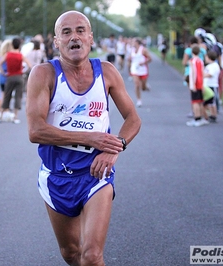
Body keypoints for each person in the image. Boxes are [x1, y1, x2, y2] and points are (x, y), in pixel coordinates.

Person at [26, 11, 141, 265]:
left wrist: (114, 148)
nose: (74, 37)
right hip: (56, 176)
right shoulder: (43, 74)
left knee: (91, 256)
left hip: (96, 174)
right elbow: (36, 131)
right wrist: (92, 139)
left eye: (80, 31)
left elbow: (133, 118)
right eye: (66, 32)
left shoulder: (107, 72)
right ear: (56, 42)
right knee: (71, 253)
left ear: (90, 37)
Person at [0, 37, 31, 124]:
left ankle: (1, 115)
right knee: (18, 96)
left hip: (10, 76)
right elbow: (29, 65)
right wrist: (23, 71)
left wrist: (3, 72)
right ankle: (15, 116)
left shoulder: (8, 55)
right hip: (19, 76)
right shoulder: (20, 55)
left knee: (7, 95)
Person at [128, 38, 151, 107]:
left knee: (143, 88)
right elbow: (130, 58)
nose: (132, 43)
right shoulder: (131, 50)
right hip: (134, 69)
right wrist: (129, 60)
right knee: (137, 85)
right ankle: (139, 100)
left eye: (133, 42)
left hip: (143, 70)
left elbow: (150, 58)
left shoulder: (143, 50)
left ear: (137, 43)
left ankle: (145, 86)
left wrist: (144, 62)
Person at [186, 45, 205, 127]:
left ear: (191, 52)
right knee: (200, 101)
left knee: (195, 102)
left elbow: (193, 73)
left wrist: (193, 84)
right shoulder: (201, 61)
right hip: (200, 83)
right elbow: (202, 72)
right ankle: (200, 117)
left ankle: (197, 118)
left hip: (195, 83)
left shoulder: (192, 61)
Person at [203, 50, 221, 123]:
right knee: (209, 101)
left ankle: (214, 115)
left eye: (206, 57)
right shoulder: (209, 66)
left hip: (212, 85)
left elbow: (210, 74)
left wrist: (202, 75)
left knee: (212, 101)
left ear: (209, 57)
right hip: (207, 85)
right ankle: (211, 114)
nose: (205, 59)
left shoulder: (214, 66)